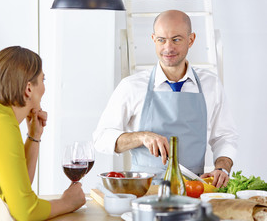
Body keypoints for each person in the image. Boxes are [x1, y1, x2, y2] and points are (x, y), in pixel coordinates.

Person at [93, 10, 238, 188]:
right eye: (161, 40)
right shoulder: (131, 86)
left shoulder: (211, 84)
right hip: (145, 190)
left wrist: (222, 169)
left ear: (191, 39)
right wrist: (141, 137)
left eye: (176, 39)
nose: (168, 48)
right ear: (153, 39)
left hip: (194, 189)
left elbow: (225, 136)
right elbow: (101, 138)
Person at [0, 46, 86, 220]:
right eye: (43, 80)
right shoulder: (0, 125)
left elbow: (16, 193)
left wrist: (34, 136)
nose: (44, 88)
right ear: (29, 88)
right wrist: (67, 202)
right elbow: (25, 211)